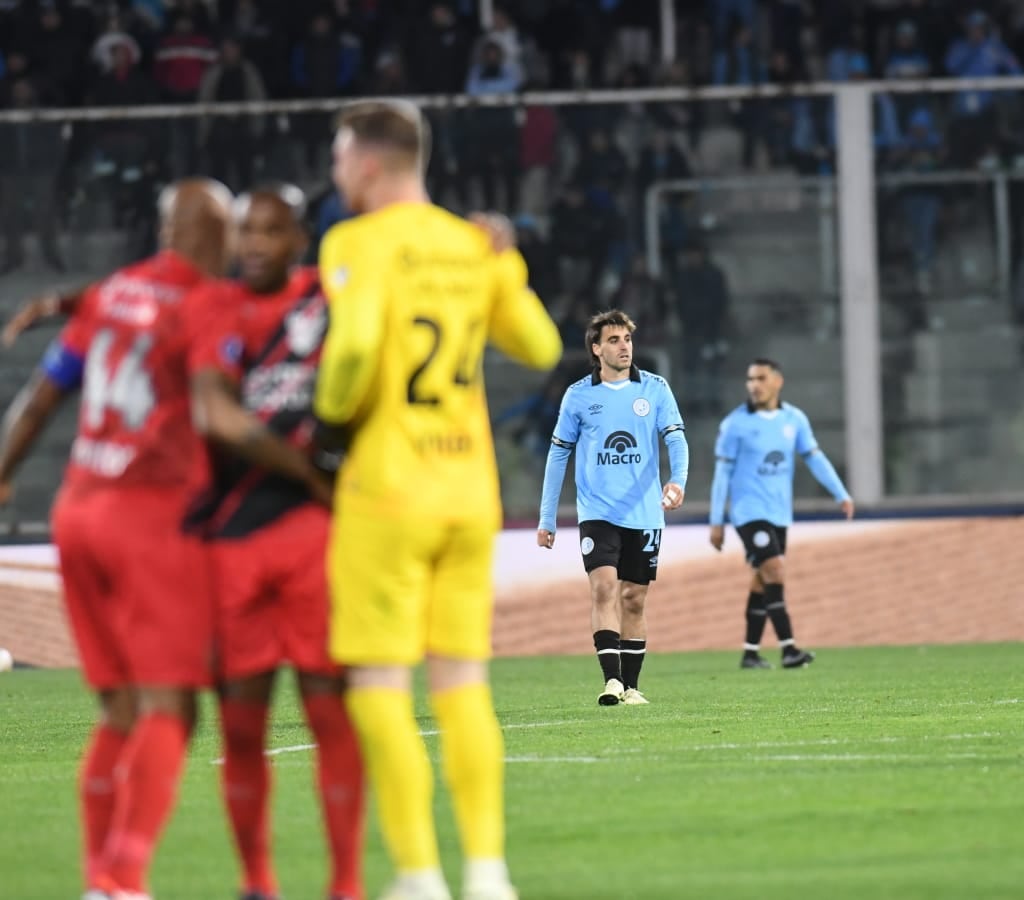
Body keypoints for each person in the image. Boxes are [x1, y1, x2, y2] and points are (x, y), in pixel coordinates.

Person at [314, 100, 563, 900]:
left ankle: (419, 876)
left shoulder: (354, 243)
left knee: (381, 685)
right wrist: (508, 265)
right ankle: (489, 875)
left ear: (372, 163)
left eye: (340, 156)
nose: (334, 170)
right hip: (468, 493)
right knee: (462, 683)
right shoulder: (474, 243)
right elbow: (542, 346)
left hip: (387, 490)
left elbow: (351, 351)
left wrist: (326, 422)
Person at [0, 179, 234, 900]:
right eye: (222, 229)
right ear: (199, 233)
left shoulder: (113, 294)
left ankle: (102, 883)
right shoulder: (205, 306)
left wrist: (2, 476)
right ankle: (125, 879)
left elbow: (40, 398)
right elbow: (218, 415)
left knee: (120, 711)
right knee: (171, 705)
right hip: (147, 522)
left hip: (79, 516)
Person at [185, 186, 364, 900]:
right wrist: (316, 475)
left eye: (270, 231)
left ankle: (345, 884)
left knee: (330, 712)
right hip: (233, 538)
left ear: (298, 238)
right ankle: (256, 882)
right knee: (240, 723)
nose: (254, 243)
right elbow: (217, 415)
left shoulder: (332, 297)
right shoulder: (212, 307)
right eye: (244, 232)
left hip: (314, 543)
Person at [537, 309, 690, 706]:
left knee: (633, 598)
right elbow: (558, 457)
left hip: (644, 513)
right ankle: (612, 682)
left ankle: (633, 687)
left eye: (627, 339)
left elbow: (676, 441)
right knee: (604, 588)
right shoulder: (578, 395)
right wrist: (546, 518)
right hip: (597, 512)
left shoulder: (655, 388)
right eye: (614, 340)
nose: (624, 347)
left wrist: (677, 482)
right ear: (596, 347)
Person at [708, 359, 854, 670]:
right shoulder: (734, 424)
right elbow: (722, 474)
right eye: (750, 379)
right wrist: (716, 520)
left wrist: (840, 493)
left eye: (761, 378)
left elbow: (814, 457)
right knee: (774, 570)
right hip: (748, 513)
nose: (754, 385)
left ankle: (750, 654)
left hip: (779, 513)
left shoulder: (794, 419)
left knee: (762, 580)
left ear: (777, 382)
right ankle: (789, 648)